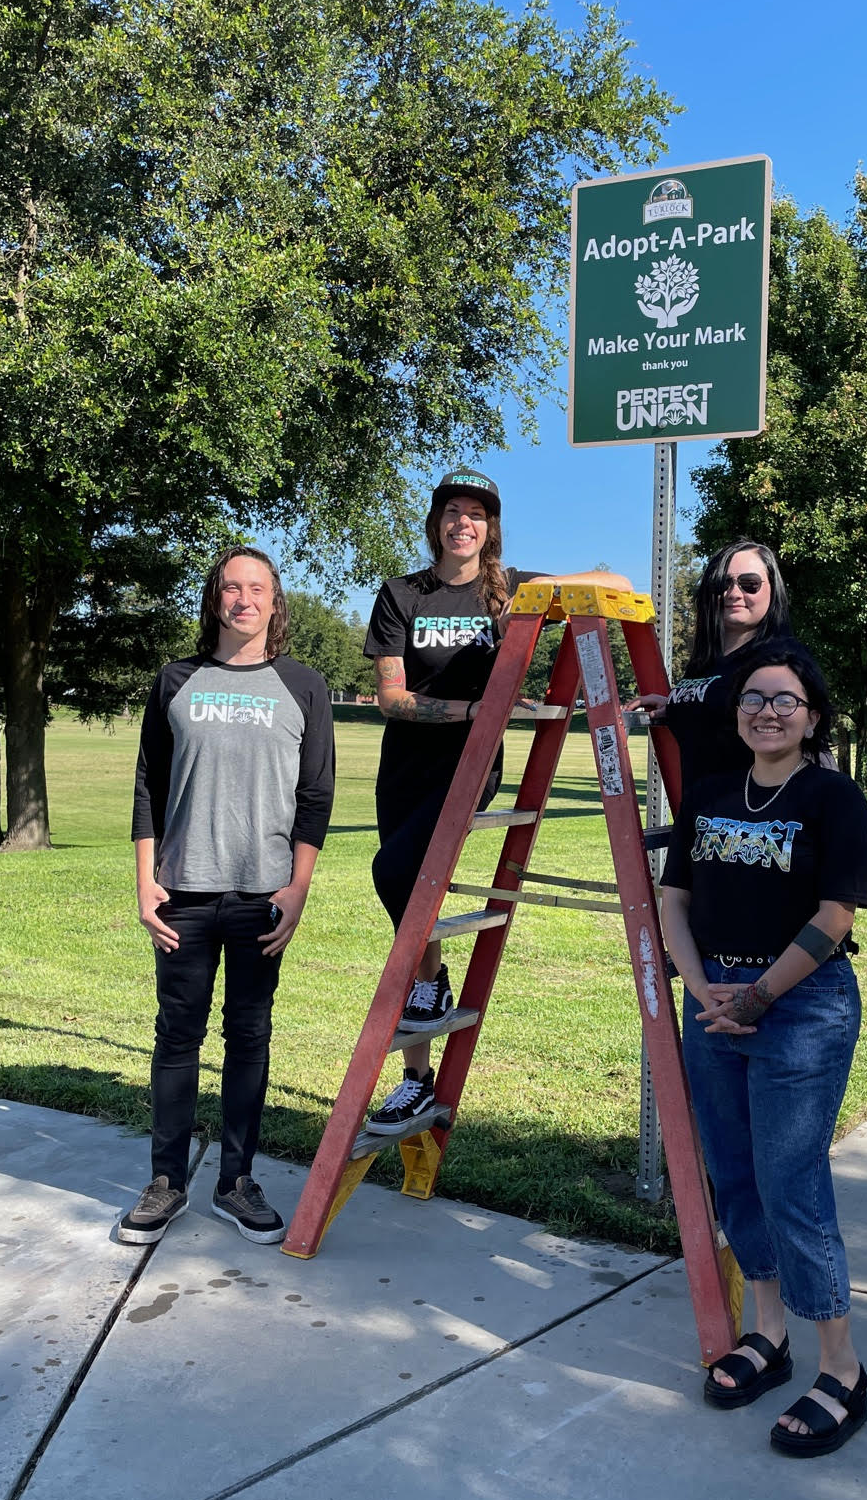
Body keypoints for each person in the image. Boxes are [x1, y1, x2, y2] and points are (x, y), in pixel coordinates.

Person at [657, 639, 867, 1457]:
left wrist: (755, 996)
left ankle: (842, 1370)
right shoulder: (711, 793)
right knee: (737, 1175)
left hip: (800, 1008)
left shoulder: (834, 799)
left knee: (793, 1181)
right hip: (712, 999)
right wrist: (700, 984)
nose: (767, 711)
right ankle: (769, 1334)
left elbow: (834, 919)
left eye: (785, 700)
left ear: (812, 716)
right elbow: (673, 897)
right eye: (754, 698)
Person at [363, 468, 628, 1136]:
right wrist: (477, 707)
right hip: (405, 769)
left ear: (491, 527)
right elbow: (392, 698)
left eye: (477, 514)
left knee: (394, 875)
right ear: (436, 523)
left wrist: (604, 590)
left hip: (472, 767)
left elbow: (610, 584)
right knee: (410, 902)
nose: (464, 522)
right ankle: (418, 1075)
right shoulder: (401, 594)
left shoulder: (509, 591)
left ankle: (431, 987)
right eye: (452, 511)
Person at [121, 548, 334, 1247]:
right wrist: (145, 878)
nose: (244, 599)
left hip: (260, 897)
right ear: (215, 600)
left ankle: (236, 1183)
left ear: (275, 603)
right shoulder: (176, 680)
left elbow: (316, 796)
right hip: (182, 891)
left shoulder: (303, 685)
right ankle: (166, 1183)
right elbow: (149, 781)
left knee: (249, 1037)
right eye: (231, 588)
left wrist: (297, 889)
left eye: (257, 589)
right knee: (177, 1038)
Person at [631, 538, 792, 794]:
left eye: (750, 584)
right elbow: (716, 711)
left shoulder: (780, 660)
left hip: (751, 824)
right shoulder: (706, 660)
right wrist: (675, 703)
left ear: (773, 590)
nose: (734, 594)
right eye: (722, 583)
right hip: (701, 821)